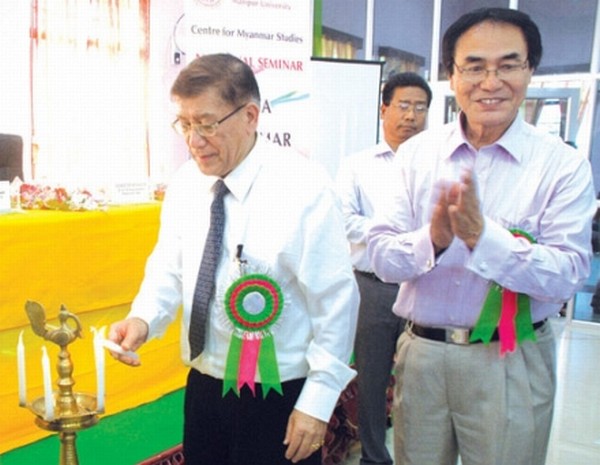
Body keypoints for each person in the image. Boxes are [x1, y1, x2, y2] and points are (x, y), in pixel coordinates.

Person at [367, 8, 596, 465]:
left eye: (508, 65)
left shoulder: (562, 165)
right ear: (452, 75)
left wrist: (481, 237)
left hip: (511, 357)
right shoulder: (415, 155)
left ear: (530, 70)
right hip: (424, 356)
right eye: (474, 67)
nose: (491, 82)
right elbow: (381, 258)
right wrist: (433, 240)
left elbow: (569, 274)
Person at [107, 53, 359, 465]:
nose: (194, 140)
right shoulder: (187, 183)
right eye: (185, 124)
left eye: (207, 124)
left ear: (250, 116)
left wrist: (318, 401)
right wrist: (143, 319)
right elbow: (168, 268)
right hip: (205, 386)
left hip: (279, 393)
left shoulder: (304, 188)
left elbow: (336, 302)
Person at [334, 72, 432, 465]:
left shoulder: (437, 164)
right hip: (372, 288)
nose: (411, 116)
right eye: (403, 106)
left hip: (424, 285)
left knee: (422, 382)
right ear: (384, 110)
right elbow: (343, 219)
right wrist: (393, 235)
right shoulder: (357, 165)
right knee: (371, 380)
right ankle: (375, 458)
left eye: (420, 108)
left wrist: (403, 238)